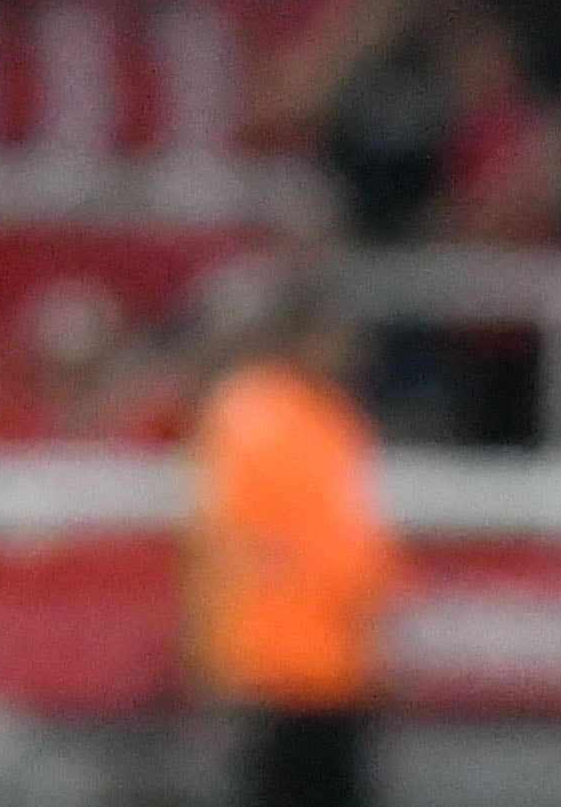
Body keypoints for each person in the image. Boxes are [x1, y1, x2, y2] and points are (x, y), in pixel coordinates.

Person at [191, 266, 395, 807]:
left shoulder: (332, 419)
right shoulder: (252, 413)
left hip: (336, 667)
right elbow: (242, 544)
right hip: (275, 671)